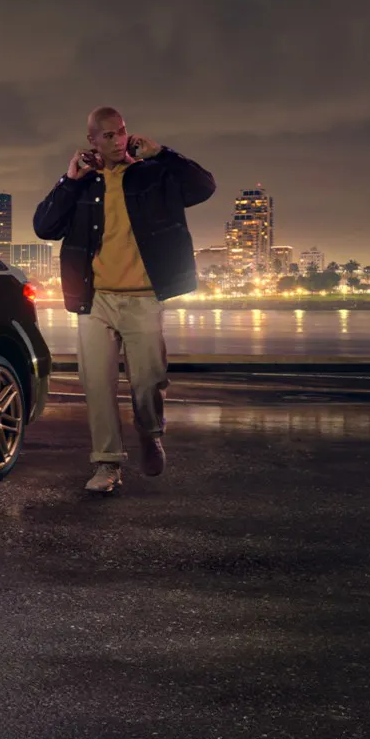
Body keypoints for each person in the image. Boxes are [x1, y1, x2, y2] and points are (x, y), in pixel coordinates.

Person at [32, 106, 216, 494]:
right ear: (92, 141)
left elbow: (204, 187)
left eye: (122, 132)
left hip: (144, 298)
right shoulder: (82, 184)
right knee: (97, 386)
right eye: (109, 135)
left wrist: (162, 153)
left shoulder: (153, 175)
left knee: (148, 382)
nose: (118, 140)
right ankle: (107, 463)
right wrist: (69, 180)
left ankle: (150, 434)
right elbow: (44, 226)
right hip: (95, 301)